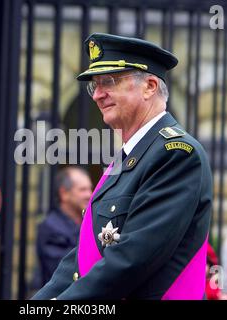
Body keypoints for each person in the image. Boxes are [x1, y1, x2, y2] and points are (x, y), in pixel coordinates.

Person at [32, 33, 213, 300]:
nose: (98, 95)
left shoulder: (176, 154)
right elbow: (80, 260)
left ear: (150, 86)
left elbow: (132, 259)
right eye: (94, 86)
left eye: (109, 82)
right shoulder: (131, 156)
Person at [35, 166, 92, 288]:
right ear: (64, 193)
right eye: (82, 190)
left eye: (90, 189)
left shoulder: (88, 223)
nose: (89, 195)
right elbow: (67, 271)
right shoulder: (51, 227)